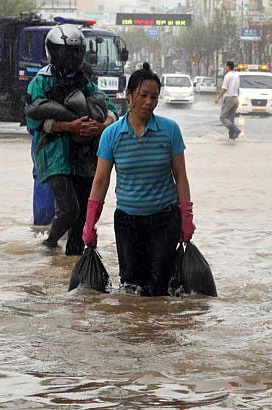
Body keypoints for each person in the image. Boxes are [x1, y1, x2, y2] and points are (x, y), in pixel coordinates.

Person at [82, 63, 195, 297]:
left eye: (154, 97)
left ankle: (157, 331)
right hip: (128, 222)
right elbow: (101, 181)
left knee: (158, 288)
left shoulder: (170, 130)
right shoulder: (111, 135)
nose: (149, 102)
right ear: (129, 95)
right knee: (131, 287)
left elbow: (180, 177)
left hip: (165, 220)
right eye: (143, 95)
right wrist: (89, 223)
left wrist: (186, 217)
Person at [26, 24, 117, 255]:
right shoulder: (41, 82)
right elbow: (34, 121)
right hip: (54, 153)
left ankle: (74, 262)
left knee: (84, 214)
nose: (72, 58)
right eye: (68, 52)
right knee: (69, 210)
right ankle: (49, 243)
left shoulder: (85, 82)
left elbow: (111, 108)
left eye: (76, 52)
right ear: (54, 52)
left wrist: (100, 126)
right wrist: (70, 126)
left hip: (84, 155)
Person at [214, 61, 241, 140]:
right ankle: (232, 137)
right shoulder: (237, 75)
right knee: (231, 118)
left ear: (228, 67)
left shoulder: (227, 76)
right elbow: (238, 88)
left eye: (225, 67)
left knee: (223, 117)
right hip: (236, 99)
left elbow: (224, 88)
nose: (225, 68)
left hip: (229, 99)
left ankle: (236, 130)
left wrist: (218, 97)